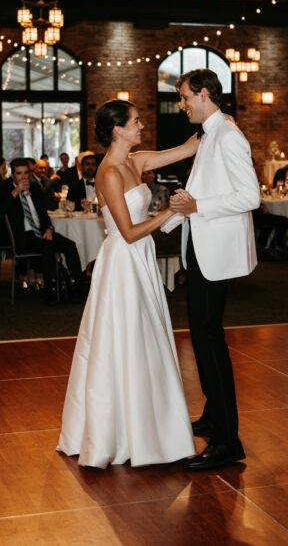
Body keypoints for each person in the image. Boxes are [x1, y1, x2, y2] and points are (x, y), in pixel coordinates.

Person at [57, 99, 200, 468]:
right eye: (136, 122)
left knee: (147, 339)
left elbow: (188, 148)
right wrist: (172, 210)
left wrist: (214, 118)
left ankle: (149, 428)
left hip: (141, 262)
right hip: (123, 263)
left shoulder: (136, 161)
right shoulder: (109, 172)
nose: (141, 127)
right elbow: (130, 232)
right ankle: (119, 433)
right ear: (117, 129)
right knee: (126, 342)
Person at [169, 68, 260, 471]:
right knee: (202, 338)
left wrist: (197, 207)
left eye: (185, 96)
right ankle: (212, 415)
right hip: (202, 250)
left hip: (216, 254)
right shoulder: (212, 132)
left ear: (205, 94)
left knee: (211, 342)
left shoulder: (228, 136)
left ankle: (228, 441)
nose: (181, 103)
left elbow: (250, 196)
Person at [0, 158, 83, 305]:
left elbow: (43, 214)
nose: (23, 177)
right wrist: (16, 191)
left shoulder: (35, 188)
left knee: (69, 245)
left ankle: (77, 288)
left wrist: (49, 229)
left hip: (41, 232)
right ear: (12, 175)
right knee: (48, 246)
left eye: (26, 173)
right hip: (23, 237)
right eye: (19, 174)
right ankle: (51, 292)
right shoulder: (6, 188)